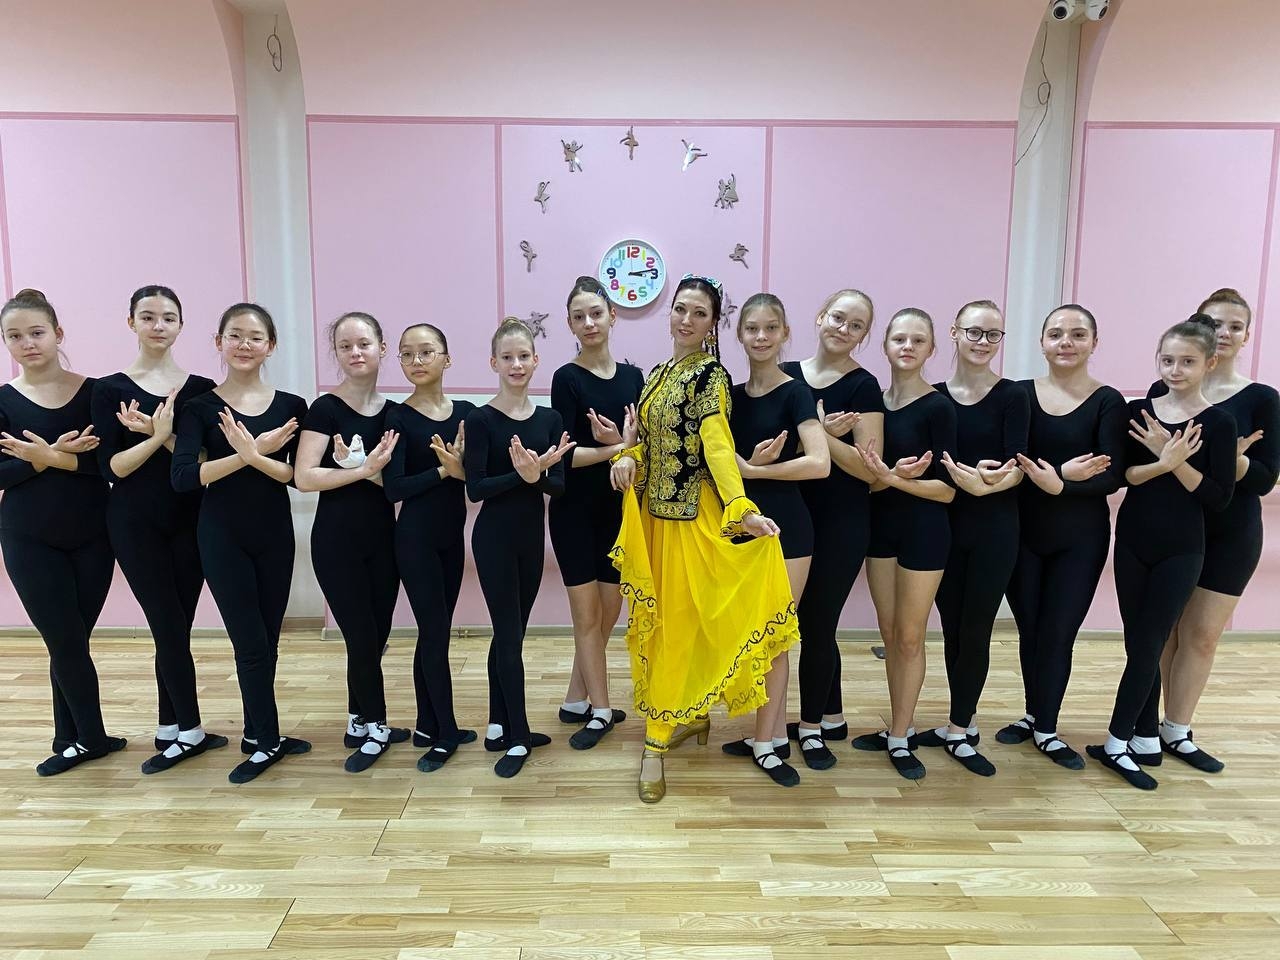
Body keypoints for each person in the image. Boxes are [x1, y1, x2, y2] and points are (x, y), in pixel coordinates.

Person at [609, 274, 798, 803]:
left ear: (713, 325)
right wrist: (626, 456)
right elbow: (649, 442)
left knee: (680, 627)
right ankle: (689, 715)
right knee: (667, 625)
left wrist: (742, 507)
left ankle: (655, 743)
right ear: (669, 313)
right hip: (653, 520)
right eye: (681, 309)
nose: (686, 319)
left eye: (699, 313)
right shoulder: (658, 374)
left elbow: (716, 447)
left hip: (693, 521)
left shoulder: (709, 377)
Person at [1088, 314, 1235, 789]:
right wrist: (1162, 459)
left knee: (1151, 643)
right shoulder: (1139, 412)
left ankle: (1116, 741)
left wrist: (1175, 460)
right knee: (1138, 643)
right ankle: (1147, 736)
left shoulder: (1219, 422)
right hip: (1133, 541)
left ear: (1208, 363)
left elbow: (1217, 497)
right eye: (1168, 360)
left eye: (1187, 361)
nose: (1175, 370)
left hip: (1182, 548)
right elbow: (1125, 477)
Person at [171, 302, 310, 784]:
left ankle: (256, 732)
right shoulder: (200, 407)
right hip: (222, 535)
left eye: (255, 337)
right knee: (249, 643)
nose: (244, 345)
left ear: (271, 345)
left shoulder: (292, 406)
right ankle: (267, 741)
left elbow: (294, 476)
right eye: (235, 335)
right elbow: (183, 477)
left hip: (274, 534)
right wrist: (247, 453)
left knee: (268, 640)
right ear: (219, 342)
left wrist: (255, 453)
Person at [91, 285, 226, 774]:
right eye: (148, 317)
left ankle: (169, 727)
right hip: (134, 523)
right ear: (131, 323)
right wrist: (159, 437)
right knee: (166, 624)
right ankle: (190, 730)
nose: (158, 326)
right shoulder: (108, 389)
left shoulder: (201, 391)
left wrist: (158, 433)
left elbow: (205, 460)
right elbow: (113, 467)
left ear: (181, 325)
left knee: (177, 626)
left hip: (191, 519)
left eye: (168, 317)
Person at [1149, 289, 1278, 772]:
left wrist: (1232, 458)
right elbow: (1154, 465)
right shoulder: (1165, 388)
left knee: (1201, 635)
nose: (1223, 333)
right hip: (1174, 528)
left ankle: (1177, 729)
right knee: (1165, 634)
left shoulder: (1262, 399)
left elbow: (1264, 478)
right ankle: (1149, 728)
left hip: (1231, 533)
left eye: (1234, 326)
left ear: (1246, 335)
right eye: (1213, 323)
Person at [0, 289, 125, 776]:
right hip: (29, 538)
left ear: (58, 333)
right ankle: (89, 738)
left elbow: (108, 465)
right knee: (64, 639)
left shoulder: (96, 393)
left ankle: (68, 736)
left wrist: (43, 455)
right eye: (15, 336)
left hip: (94, 533)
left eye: (36, 332)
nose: (27, 343)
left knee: (72, 639)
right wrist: (48, 458)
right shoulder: (3, 401)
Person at [999, 304, 1126, 771]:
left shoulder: (1108, 400)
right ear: (1042, 342)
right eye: (1055, 334)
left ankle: (1048, 730)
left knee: (1058, 633)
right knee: (1030, 630)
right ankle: (1034, 713)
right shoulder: (1018, 394)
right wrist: (1058, 473)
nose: (1066, 342)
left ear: (1094, 342)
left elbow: (1113, 474)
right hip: (1022, 533)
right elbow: (1012, 458)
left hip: (1080, 538)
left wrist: (1061, 484)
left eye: (1077, 334)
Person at [721, 293, 829, 781]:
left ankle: (766, 744)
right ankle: (772, 733)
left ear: (785, 333)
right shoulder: (729, 396)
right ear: (740, 335)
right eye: (752, 328)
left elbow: (819, 463)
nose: (761, 337)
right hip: (740, 527)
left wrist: (754, 471)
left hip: (787, 529)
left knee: (775, 636)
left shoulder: (796, 393)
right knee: (750, 635)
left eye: (770, 328)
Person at [918, 300, 1028, 777]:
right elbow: (933, 462)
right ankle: (959, 720)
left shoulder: (1012, 395)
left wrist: (984, 484)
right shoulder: (934, 396)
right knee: (952, 627)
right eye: (974, 332)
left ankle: (961, 729)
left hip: (995, 528)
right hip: (945, 526)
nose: (983, 342)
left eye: (993, 334)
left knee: (977, 628)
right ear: (955, 332)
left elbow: (1018, 465)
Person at [464, 318, 574, 778]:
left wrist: (540, 475)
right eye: (507, 357)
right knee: (509, 636)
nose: (516, 364)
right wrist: (525, 475)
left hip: (531, 540)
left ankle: (497, 724)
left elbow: (559, 486)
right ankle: (518, 736)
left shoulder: (550, 420)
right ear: (494, 362)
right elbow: (475, 488)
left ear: (535, 360)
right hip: (493, 539)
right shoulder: (480, 419)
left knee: (511, 635)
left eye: (523, 356)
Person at [851, 308, 956, 780]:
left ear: (931, 349)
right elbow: (866, 474)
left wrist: (894, 479)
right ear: (886, 346)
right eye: (899, 339)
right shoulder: (873, 403)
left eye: (917, 340)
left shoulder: (938, 407)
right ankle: (900, 724)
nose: (907, 347)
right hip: (881, 529)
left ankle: (900, 735)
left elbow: (947, 490)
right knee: (890, 633)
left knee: (911, 636)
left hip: (925, 530)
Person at [779, 290, 884, 759]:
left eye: (856, 325)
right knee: (794, 622)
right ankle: (831, 716)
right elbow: (776, 446)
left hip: (842, 521)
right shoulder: (785, 374)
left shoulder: (863, 386)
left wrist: (819, 434)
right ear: (821, 316)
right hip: (790, 517)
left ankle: (812, 728)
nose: (844, 328)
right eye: (838, 317)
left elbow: (870, 470)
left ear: (864, 336)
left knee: (818, 625)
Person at [295, 312, 402, 772]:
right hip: (336, 542)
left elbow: (394, 485)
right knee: (359, 637)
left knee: (375, 637)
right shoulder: (325, 409)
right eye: (345, 346)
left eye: (363, 344)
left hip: (383, 540)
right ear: (336, 353)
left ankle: (358, 719)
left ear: (382, 348)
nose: (355, 353)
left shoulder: (394, 414)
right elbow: (304, 477)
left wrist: (366, 470)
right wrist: (358, 470)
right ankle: (376, 726)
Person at [549, 277, 642, 750]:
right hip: (574, 513)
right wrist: (617, 448)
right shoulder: (566, 378)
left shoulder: (634, 378)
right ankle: (601, 710)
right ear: (570, 324)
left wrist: (626, 446)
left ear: (612, 316)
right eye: (579, 317)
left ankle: (575, 698)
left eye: (596, 314)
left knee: (607, 614)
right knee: (586, 617)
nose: (589, 323)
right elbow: (563, 455)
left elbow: (645, 445)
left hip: (620, 513)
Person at [384, 322, 477, 772]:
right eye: (407, 354)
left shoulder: (467, 414)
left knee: (433, 633)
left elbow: (477, 476)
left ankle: (426, 723)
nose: (416, 361)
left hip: (451, 539)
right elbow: (393, 487)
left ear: (447, 357)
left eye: (426, 351)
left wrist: (462, 470)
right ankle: (445, 733)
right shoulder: (397, 417)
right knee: (436, 633)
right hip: (415, 539)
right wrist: (444, 471)